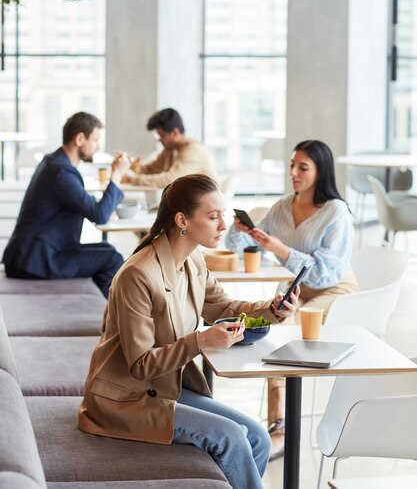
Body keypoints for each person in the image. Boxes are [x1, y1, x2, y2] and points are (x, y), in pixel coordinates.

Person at [78, 174, 299, 489]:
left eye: (223, 214)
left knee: (259, 438)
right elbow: (140, 365)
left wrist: (272, 309)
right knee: (233, 439)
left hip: (167, 387)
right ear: (182, 219)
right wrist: (201, 341)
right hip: (126, 398)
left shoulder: (193, 259)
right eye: (213, 217)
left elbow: (223, 308)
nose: (224, 225)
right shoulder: (138, 275)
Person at [226, 139, 357, 460]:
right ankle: (279, 422)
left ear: (320, 170)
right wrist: (240, 229)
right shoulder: (283, 206)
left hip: (334, 290)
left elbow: (325, 274)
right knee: (275, 336)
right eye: (291, 165)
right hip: (296, 288)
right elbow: (233, 245)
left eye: (303, 167)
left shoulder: (336, 212)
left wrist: (277, 248)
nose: (293, 173)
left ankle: (281, 427)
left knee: (288, 334)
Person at [2, 111, 130, 297]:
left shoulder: (54, 163)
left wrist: (103, 207)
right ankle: (110, 318)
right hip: (36, 261)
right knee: (111, 258)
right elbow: (99, 215)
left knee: (108, 251)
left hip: (31, 256)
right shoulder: (62, 173)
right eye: (95, 140)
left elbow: (84, 203)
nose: (98, 146)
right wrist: (116, 176)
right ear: (80, 139)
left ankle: (101, 309)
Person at [122, 107, 216, 188]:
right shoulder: (170, 149)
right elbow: (151, 170)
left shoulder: (194, 151)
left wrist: (130, 179)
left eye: (162, 136)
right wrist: (131, 164)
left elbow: (171, 180)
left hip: (205, 206)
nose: (159, 140)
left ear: (175, 133)